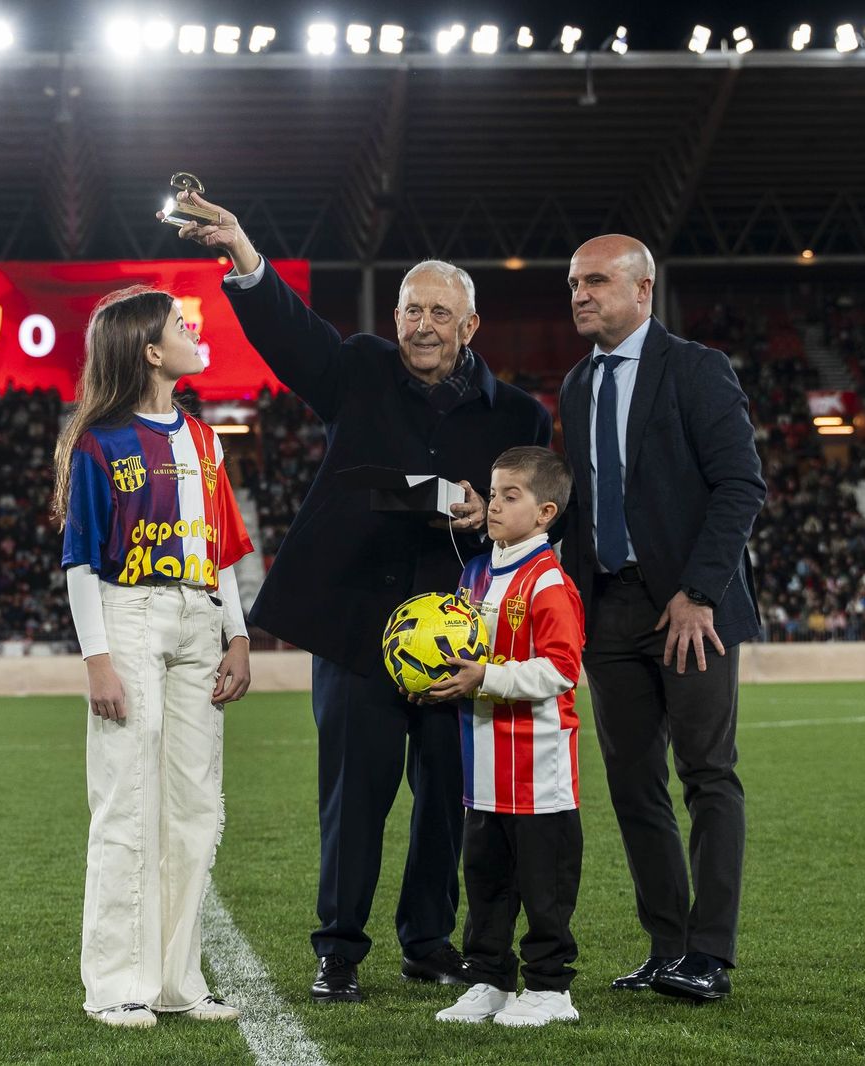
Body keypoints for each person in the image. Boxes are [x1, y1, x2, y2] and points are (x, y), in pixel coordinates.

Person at [164, 189, 552, 1002]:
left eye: (439, 313)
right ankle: (337, 949)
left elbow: (530, 516)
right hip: (355, 631)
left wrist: (486, 519)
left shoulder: (516, 415)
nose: (421, 325)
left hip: (457, 640)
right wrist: (242, 249)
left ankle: (426, 941)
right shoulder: (362, 370)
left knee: (447, 801)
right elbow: (292, 334)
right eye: (412, 309)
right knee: (354, 801)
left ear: (470, 327)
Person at [556, 235, 766, 1003]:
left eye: (597, 282)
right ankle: (666, 946)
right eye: (575, 284)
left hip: (691, 613)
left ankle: (709, 954)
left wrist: (700, 591)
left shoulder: (697, 368)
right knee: (633, 785)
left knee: (708, 777)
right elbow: (582, 506)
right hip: (609, 608)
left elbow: (740, 485)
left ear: (644, 290)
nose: (580, 295)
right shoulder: (577, 384)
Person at [53, 286, 255, 1028]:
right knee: (126, 802)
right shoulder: (99, 441)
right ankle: (115, 985)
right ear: (149, 350)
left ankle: (177, 980)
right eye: (179, 325)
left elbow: (223, 550)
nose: (191, 331)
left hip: (198, 615)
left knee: (196, 807)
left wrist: (237, 634)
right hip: (128, 613)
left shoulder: (205, 439)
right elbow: (80, 562)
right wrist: (97, 659)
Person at [416, 446, 587, 1028]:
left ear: (544, 513)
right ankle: (488, 978)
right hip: (484, 765)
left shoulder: (548, 583)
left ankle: (550, 988)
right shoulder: (477, 572)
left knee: (544, 885)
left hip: (539, 770)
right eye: (493, 493)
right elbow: (463, 648)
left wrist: (484, 677)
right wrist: (433, 676)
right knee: (485, 881)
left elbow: (562, 669)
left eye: (510, 497)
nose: (494, 506)